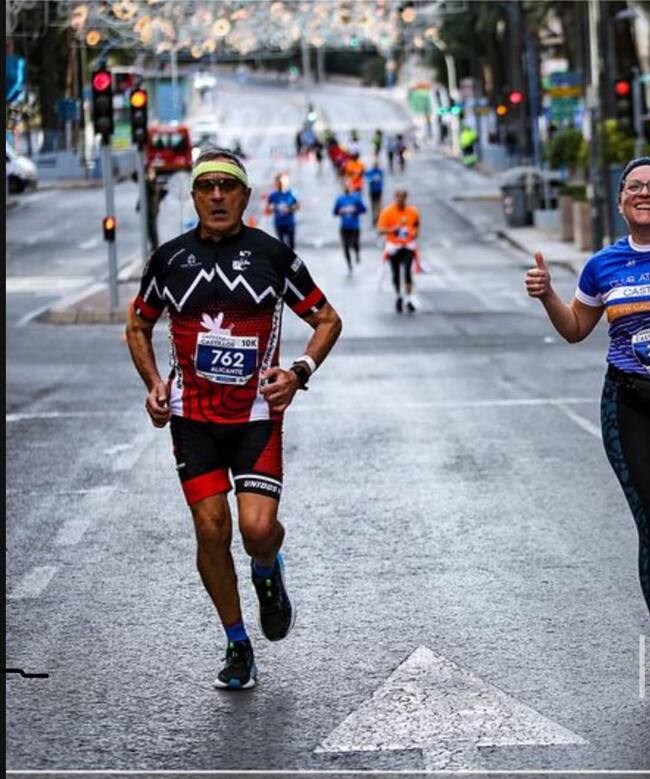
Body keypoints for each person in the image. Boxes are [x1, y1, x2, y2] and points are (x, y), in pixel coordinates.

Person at [125, 148, 343, 688]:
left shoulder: (272, 256)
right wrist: (155, 385)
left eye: (228, 186)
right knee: (210, 528)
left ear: (245, 197)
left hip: (254, 417)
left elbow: (326, 318)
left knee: (258, 529)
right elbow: (137, 325)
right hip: (192, 419)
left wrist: (298, 371)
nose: (217, 195)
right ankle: (238, 644)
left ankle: (268, 572)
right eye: (207, 186)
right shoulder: (169, 261)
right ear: (194, 196)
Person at [525, 156, 650, 613]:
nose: (643, 193)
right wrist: (547, 296)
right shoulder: (603, 265)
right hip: (629, 403)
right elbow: (576, 327)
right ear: (620, 202)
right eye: (634, 186)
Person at [377, 189, 420, 313]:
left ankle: (408, 299)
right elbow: (380, 230)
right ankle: (398, 296)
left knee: (407, 272)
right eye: (398, 197)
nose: (400, 199)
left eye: (402, 197)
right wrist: (392, 230)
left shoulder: (413, 212)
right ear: (395, 197)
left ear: (406, 198)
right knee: (395, 273)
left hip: (408, 246)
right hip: (394, 247)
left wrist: (413, 233)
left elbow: (416, 226)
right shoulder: (387, 212)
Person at [333, 183, 367, 273]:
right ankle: (349, 265)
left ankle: (357, 252)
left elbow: (364, 209)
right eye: (345, 187)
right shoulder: (340, 199)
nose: (346, 188)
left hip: (355, 226)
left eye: (348, 186)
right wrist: (340, 211)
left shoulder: (356, 198)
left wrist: (355, 210)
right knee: (346, 246)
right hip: (344, 227)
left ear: (351, 187)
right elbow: (335, 212)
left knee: (354, 243)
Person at [265, 174, 300, 250]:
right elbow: (267, 211)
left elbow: (298, 206)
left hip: (289, 223)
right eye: (279, 182)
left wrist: (290, 209)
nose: (281, 184)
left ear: (286, 182)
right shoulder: (273, 195)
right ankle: (284, 261)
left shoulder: (291, 193)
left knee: (291, 245)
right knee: (281, 245)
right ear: (276, 183)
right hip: (279, 223)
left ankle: (291, 260)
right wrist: (272, 209)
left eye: (282, 182)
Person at [365, 157, 384, 225]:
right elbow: (366, 178)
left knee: (378, 203)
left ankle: (378, 215)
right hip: (372, 190)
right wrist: (372, 180)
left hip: (378, 190)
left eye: (377, 164)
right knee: (373, 204)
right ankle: (374, 215)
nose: (376, 165)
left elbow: (381, 180)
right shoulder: (370, 172)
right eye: (375, 164)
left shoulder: (380, 171)